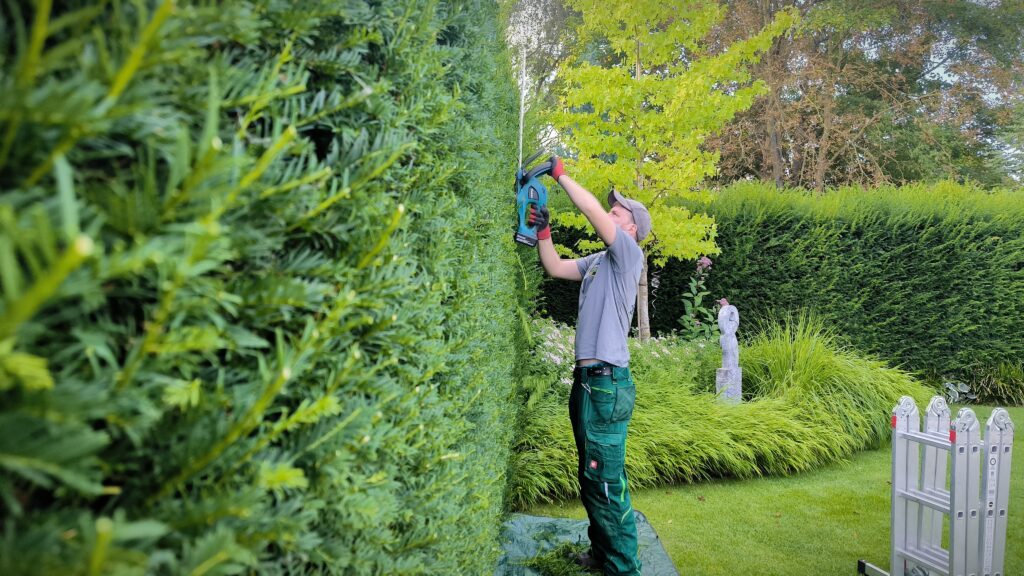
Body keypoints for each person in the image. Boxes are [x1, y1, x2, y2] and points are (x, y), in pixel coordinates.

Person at [527, 156, 652, 575]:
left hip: (606, 384)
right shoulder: (599, 263)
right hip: (587, 383)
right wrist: (543, 230)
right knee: (591, 474)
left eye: (618, 213)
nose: (609, 213)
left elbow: (592, 211)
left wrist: (560, 174)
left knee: (605, 480)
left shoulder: (629, 255)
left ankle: (625, 569)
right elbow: (554, 266)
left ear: (631, 230)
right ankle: (602, 554)